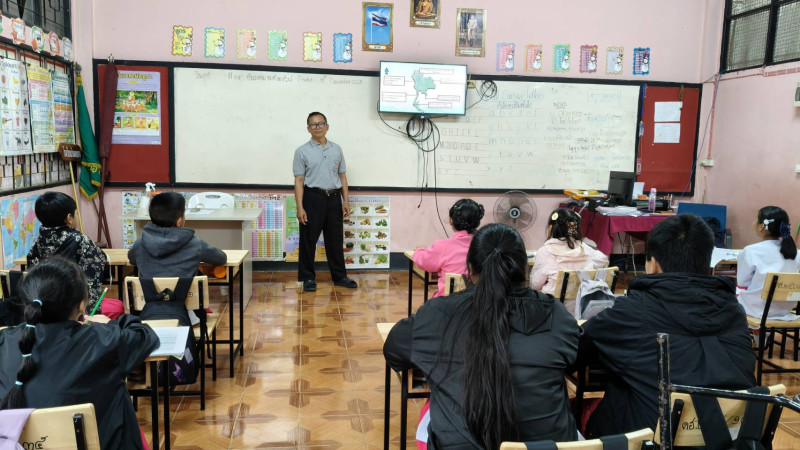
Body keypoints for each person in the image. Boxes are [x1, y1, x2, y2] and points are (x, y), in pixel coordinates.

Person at [385, 223, 579, 448]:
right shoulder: (556, 315)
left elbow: (394, 350)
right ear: (524, 268)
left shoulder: (437, 314)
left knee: (431, 415)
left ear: (469, 268)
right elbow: (576, 360)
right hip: (545, 446)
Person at [579, 214, 756, 437]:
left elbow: (575, 350)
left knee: (581, 407)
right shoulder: (735, 310)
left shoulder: (631, 312)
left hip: (654, 438)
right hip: (730, 435)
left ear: (653, 264)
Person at [0, 258, 159, 450]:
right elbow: (146, 336)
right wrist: (110, 323)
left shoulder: (4, 340)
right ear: (83, 305)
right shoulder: (102, 340)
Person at [293, 112, 358, 292]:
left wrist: (345, 201)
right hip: (312, 198)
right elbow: (299, 181)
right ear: (308, 129)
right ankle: (307, 278)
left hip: (334, 199)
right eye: (313, 124)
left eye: (321, 123)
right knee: (308, 241)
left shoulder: (336, 149)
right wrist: (300, 207)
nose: (317, 127)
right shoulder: (301, 151)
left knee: (335, 240)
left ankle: (340, 277)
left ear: (327, 126)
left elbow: (342, 176)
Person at [27, 192, 106, 313]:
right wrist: (90, 314)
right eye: (76, 213)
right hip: (73, 310)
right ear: (69, 218)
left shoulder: (37, 244)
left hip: (44, 309)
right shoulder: (80, 240)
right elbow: (91, 281)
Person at [128, 191, 227, 279]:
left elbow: (132, 259)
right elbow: (221, 259)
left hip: (149, 294)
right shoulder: (195, 244)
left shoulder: (140, 244)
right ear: (179, 221)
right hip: (186, 294)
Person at [737, 206, 800, 320]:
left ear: (762, 226)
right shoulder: (797, 253)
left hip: (755, 310)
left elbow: (742, 283)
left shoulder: (751, 251)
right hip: (785, 310)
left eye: (755, 218)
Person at [413, 198, 484, 298]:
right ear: (477, 222)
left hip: (447, 303)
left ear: (451, 221)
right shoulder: (485, 245)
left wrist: (419, 250)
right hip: (477, 302)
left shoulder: (442, 246)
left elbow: (424, 262)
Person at [530, 208, 608, 296]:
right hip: (581, 301)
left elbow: (535, 284)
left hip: (553, 302)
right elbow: (603, 259)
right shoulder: (584, 248)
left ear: (551, 228)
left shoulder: (545, 251)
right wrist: (586, 266)